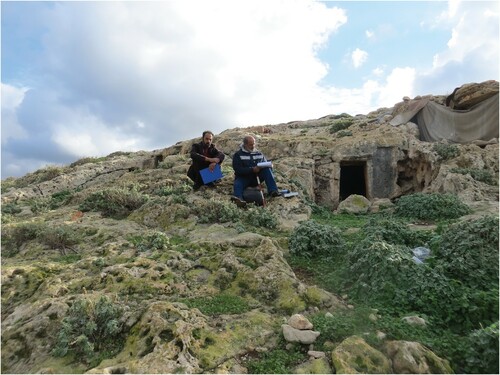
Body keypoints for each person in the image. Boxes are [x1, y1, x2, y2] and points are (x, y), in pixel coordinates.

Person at [231, 135, 280, 207]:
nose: (253, 146)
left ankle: (273, 191)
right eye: (251, 145)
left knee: (267, 169)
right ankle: (239, 199)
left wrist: (269, 166)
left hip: (257, 177)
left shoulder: (259, 153)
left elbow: (264, 163)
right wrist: (252, 170)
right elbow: (238, 170)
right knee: (237, 183)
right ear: (245, 144)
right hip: (244, 178)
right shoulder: (238, 155)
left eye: (254, 144)